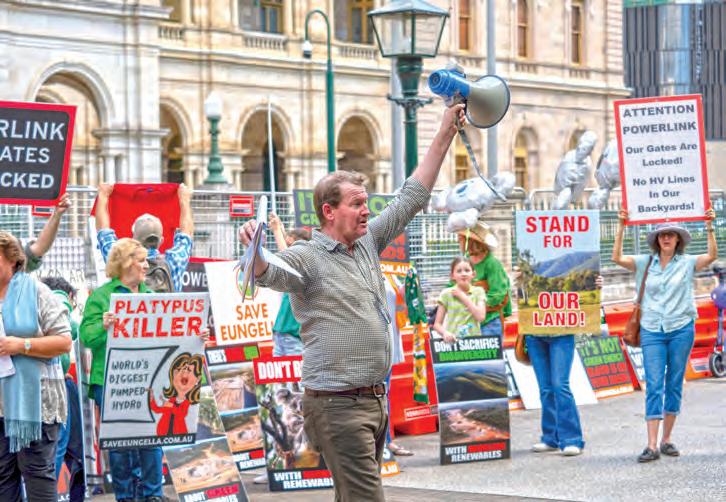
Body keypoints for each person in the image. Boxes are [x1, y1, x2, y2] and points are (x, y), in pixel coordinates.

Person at [239, 104, 465, 501]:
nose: (366, 211)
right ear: (329, 211)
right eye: (357, 204)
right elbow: (267, 273)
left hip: (372, 401)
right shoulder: (307, 256)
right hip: (337, 407)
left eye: (366, 203)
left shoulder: (367, 242)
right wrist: (255, 250)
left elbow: (412, 196)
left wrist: (447, 129)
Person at [612, 209, 718, 462]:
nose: (666, 238)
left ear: (678, 239)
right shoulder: (644, 262)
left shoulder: (688, 262)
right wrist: (621, 225)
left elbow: (712, 256)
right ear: (657, 240)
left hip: (681, 328)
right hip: (651, 329)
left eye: (671, 234)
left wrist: (710, 226)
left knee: (674, 382)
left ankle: (666, 439)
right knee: (654, 384)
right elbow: (616, 257)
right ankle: (651, 445)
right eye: (662, 235)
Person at [79, 238, 163, 502]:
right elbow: (86, 338)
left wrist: (196, 336)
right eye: (141, 260)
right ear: (126, 263)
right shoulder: (101, 297)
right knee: (120, 444)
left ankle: (153, 495)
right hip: (110, 380)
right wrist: (103, 326)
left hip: (148, 379)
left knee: (151, 439)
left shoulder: (151, 297)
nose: (146, 266)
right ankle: (125, 497)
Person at [0, 231, 72, 502]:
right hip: (1, 407)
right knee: (2, 479)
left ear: (12, 259)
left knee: (37, 474)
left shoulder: (36, 292)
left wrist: (22, 345)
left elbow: (64, 341)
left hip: (36, 404)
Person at [95, 183, 194, 292]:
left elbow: (103, 232)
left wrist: (103, 196)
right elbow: (186, 234)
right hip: (165, 304)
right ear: (161, 240)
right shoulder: (175, 259)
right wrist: (184, 200)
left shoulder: (121, 260)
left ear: (133, 240)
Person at [41, 276, 86, 502]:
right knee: (59, 446)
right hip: (55, 385)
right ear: (69, 295)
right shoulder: (58, 301)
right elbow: (73, 331)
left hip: (44, 381)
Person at [457, 221, 511, 338]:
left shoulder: (492, 264)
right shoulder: (465, 262)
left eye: (461, 239)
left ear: (471, 242)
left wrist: (475, 306)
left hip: (489, 323)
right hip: (468, 323)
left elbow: (498, 294)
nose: (458, 242)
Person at [433, 257, 487, 343]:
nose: (463, 274)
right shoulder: (446, 294)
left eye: (467, 270)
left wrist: (463, 297)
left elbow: (480, 317)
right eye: (459, 271)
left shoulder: (479, 292)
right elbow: (437, 324)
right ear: (452, 275)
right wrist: (445, 333)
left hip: (474, 343)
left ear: (473, 274)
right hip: (453, 343)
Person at [149, 353, 204, 436]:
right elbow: (157, 410)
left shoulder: (186, 402)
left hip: (180, 435)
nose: (184, 373)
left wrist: (170, 405)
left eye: (189, 370)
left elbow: (181, 414)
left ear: (197, 379)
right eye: (180, 370)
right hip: (162, 434)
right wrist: (152, 398)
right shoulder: (171, 400)